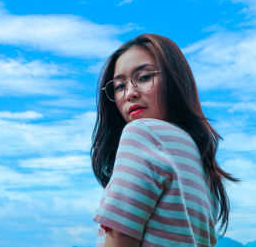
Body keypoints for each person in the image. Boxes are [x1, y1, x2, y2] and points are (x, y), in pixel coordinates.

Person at [91, 34, 237, 247]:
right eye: (120, 86)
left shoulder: (141, 132)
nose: (130, 93)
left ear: (175, 79)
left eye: (143, 77)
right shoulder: (201, 161)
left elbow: (120, 236)